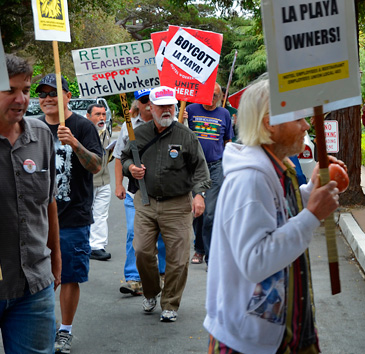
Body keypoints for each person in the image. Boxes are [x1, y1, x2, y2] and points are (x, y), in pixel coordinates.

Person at [204, 76, 341, 353]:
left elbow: (278, 215)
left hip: (284, 332)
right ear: (270, 123)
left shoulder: (279, 167)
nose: (307, 125)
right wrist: (312, 214)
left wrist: (311, 190)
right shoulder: (250, 180)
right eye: (298, 119)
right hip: (252, 343)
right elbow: (257, 261)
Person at [122, 86, 210, 323]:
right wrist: (130, 168)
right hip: (146, 202)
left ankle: (170, 303)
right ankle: (151, 292)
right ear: (150, 107)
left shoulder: (186, 135)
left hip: (178, 205)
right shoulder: (138, 134)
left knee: (179, 258)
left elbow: (200, 169)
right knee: (141, 250)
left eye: (170, 105)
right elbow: (125, 157)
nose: (167, 110)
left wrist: (199, 194)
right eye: (161, 106)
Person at [0, 55, 60, 354]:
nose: (21, 99)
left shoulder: (41, 136)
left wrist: (55, 258)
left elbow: (48, 203)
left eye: (26, 90)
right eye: (10, 90)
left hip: (34, 286)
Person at [36, 74, 103, 354]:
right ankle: (40, 325)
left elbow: (97, 165)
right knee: (38, 276)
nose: (48, 98)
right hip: (37, 217)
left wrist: (74, 143)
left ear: (67, 96)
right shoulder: (33, 128)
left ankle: (64, 331)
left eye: (55, 92)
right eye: (43, 94)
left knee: (70, 275)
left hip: (72, 215)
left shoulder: (83, 126)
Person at [112, 89, 167, 297]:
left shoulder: (167, 125)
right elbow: (118, 157)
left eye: (151, 100)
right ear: (137, 103)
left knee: (161, 234)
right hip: (135, 192)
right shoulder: (128, 128)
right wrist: (119, 185)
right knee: (133, 233)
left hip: (161, 193)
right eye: (143, 100)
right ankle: (133, 278)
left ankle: (161, 274)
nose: (147, 104)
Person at [186, 83, 233, 265]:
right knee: (198, 210)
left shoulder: (224, 114)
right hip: (195, 167)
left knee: (211, 212)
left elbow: (228, 140)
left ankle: (210, 254)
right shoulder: (190, 110)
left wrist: (229, 166)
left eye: (216, 96)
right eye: (209, 95)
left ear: (220, 97)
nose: (212, 99)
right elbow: (180, 134)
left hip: (215, 167)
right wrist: (181, 120)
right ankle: (199, 249)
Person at [87, 103, 113, 261]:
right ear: (88, 116)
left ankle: (98, 246)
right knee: (86, 213)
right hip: (88, 181)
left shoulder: (105, 131)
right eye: (97, 114)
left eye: (103, 114)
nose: (102, 118)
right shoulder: (83, 132)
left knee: (101, 214)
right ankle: (86, 244)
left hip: (104, 180)